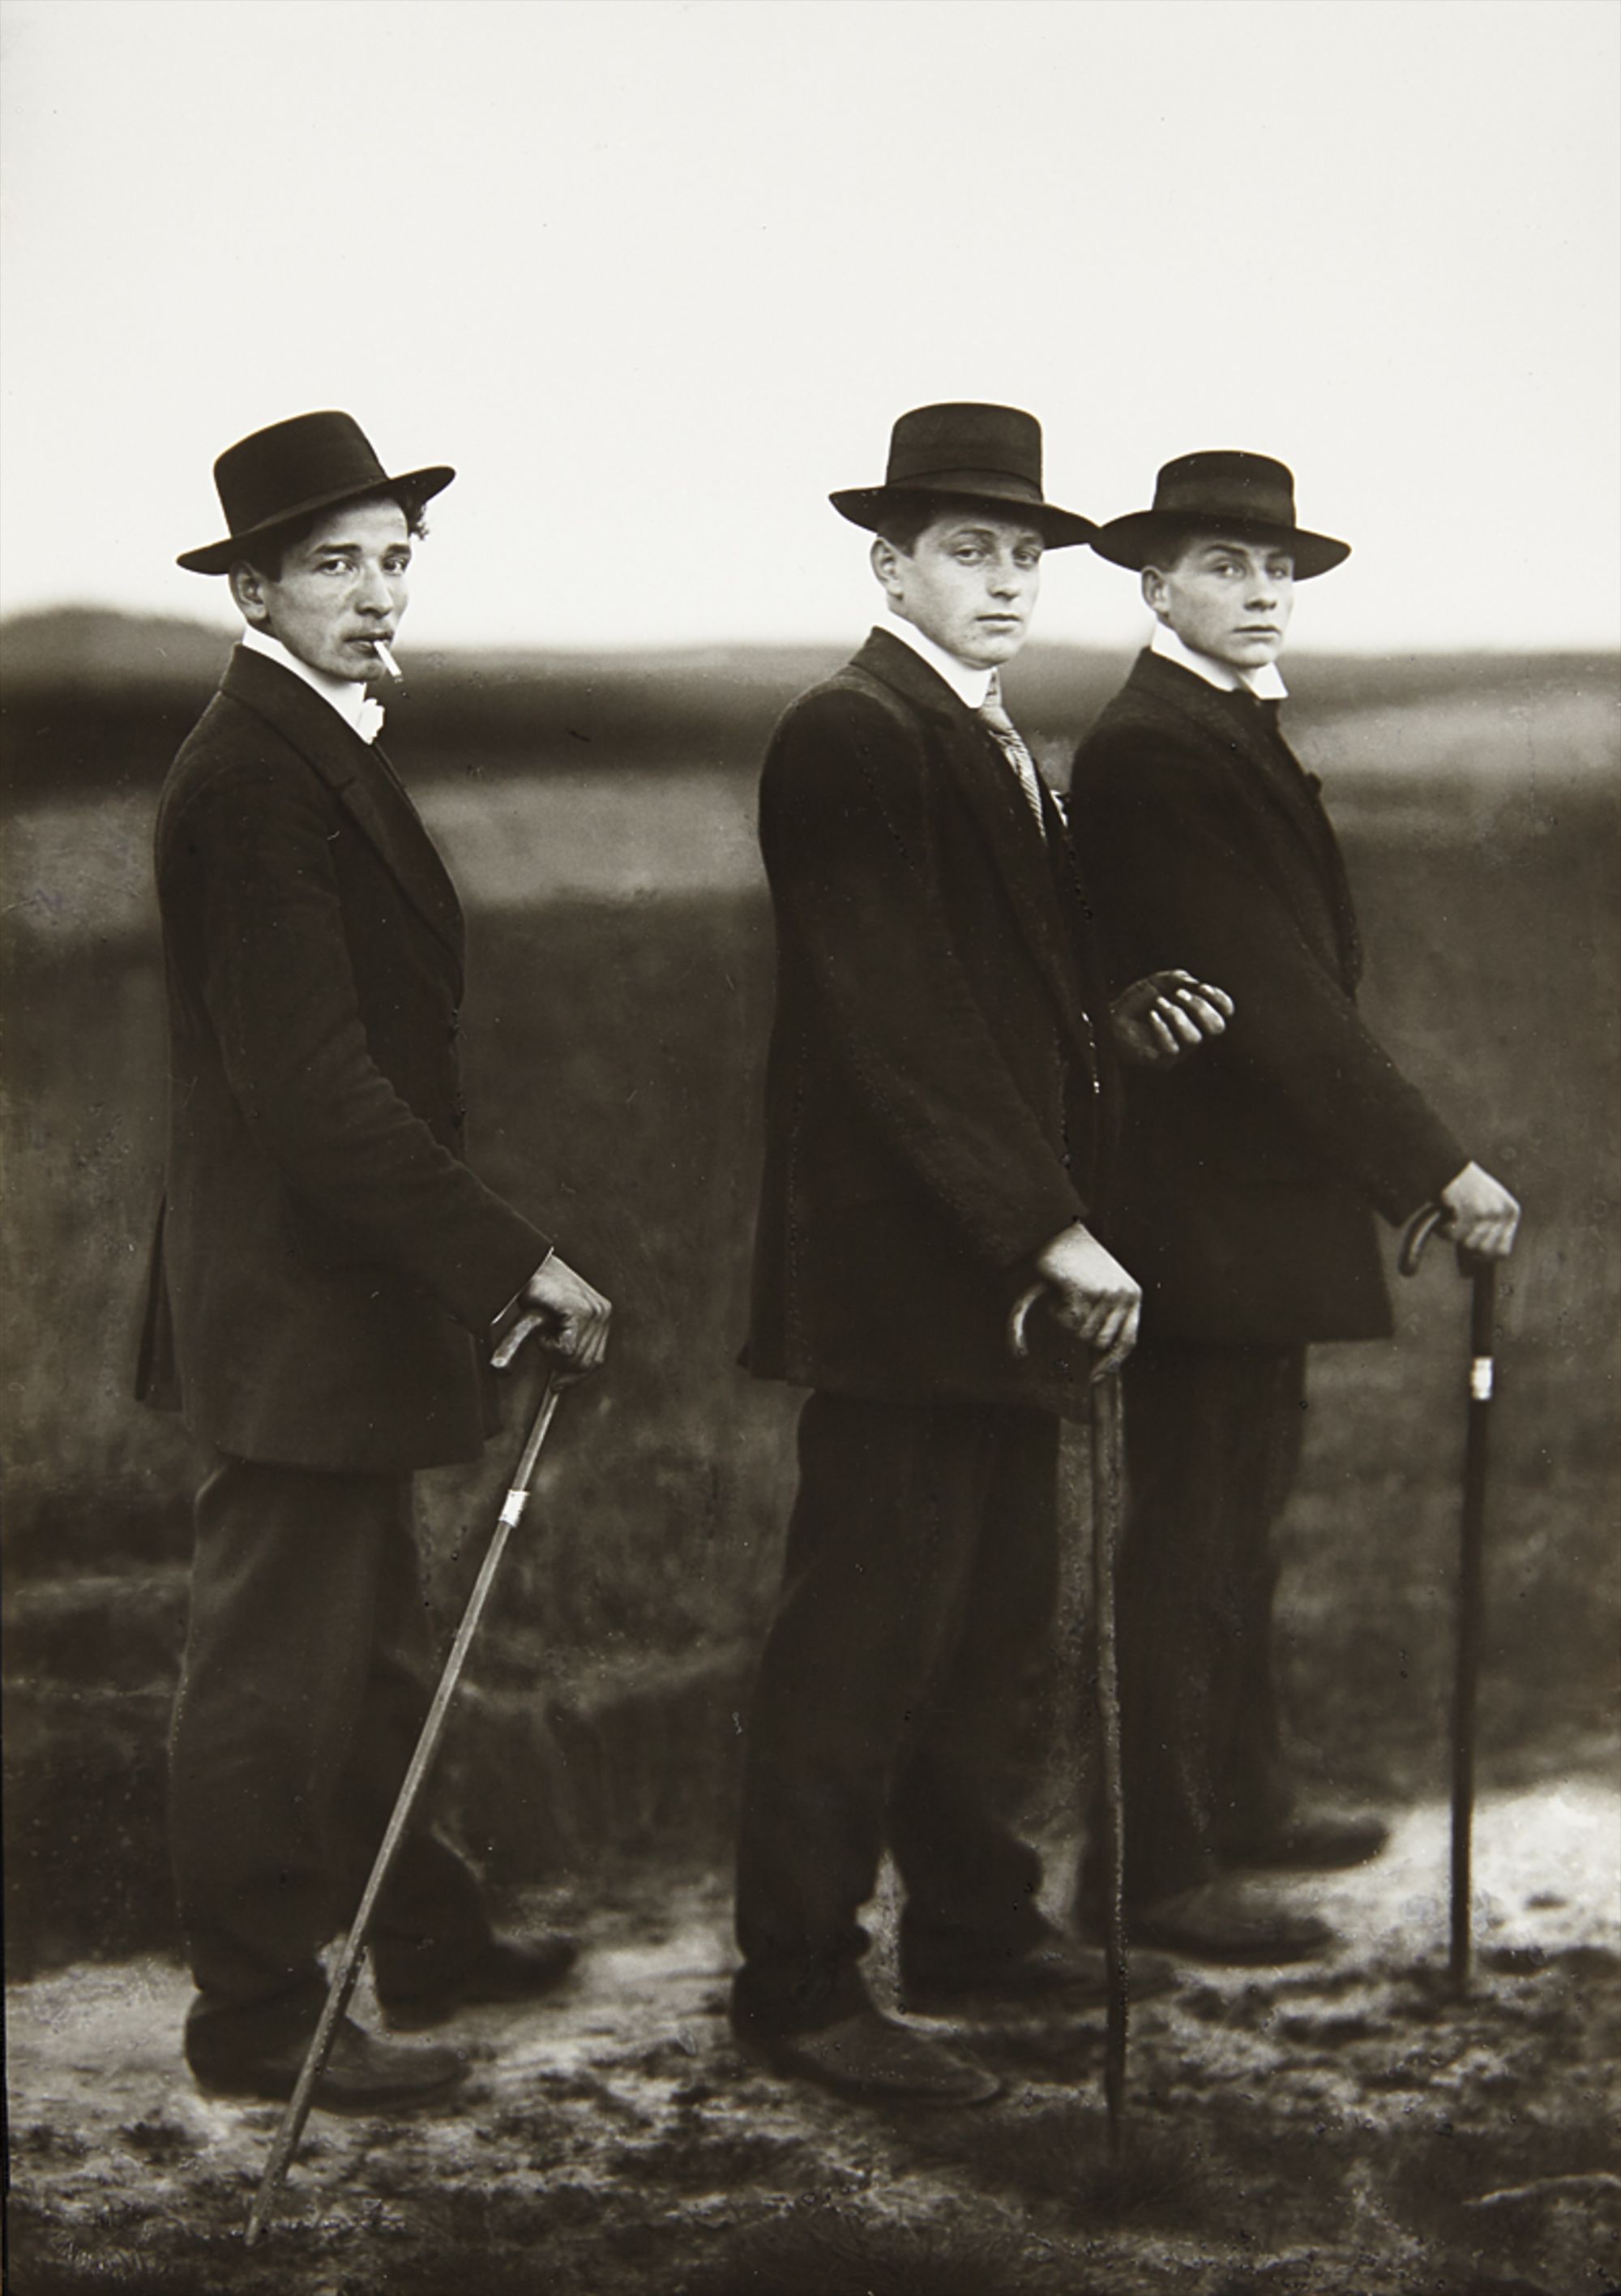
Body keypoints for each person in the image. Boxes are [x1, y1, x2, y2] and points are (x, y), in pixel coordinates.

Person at [732, 403, 1233, 2104]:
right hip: (903, 1276)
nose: (1008, 578)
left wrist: (1109, 1016)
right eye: (970, 548)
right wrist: (1046, 1224)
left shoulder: (986, 731)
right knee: (861, 1630)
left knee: (997, 1613)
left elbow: (1000, 995)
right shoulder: (849, 734)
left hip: (1000, 1268)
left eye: (1025, 552)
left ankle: (968, 1925)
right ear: (892, 562)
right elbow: (898, 1024)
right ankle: (796, 1986)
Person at [137, 410, 613, 2112]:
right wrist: (510, 1265)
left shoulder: (311, 742)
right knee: (273, 1666)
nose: (375, 590)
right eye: (335, 562)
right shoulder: (254, 770)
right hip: (292, 1299)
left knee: (375, 1634)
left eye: (395, 558)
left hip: (332, 1293)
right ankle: (256, 2021)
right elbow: (312, 1090)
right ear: (255, 584)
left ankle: (422, 1933)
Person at [1067, 450, 1521, 1964]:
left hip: (1253, 1205)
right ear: (1156, 586)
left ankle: (1245, 1799)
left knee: (1241, 1520)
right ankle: (1152, 1867)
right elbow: (1273, 996)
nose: (1258, 594)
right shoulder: (1156, 749)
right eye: (1223, 568)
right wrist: (1434, 1168)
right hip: (1200, 1211)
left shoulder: (1217, 727)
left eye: (1275, 572)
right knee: (1190, 1531)